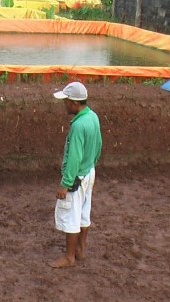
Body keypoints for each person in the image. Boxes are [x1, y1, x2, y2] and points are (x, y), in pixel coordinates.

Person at [49, 82, 102, 268]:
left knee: (71, 215)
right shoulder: (93, 117)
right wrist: (91, 165)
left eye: (66, 101)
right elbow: (98, 145)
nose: (64, 104)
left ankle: (69, 257)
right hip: (89, 172)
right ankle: (80, 250)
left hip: (77, 176)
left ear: (74, 103)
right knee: (84, 212)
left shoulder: (78, 126)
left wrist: (66, 183)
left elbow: (74, 157)